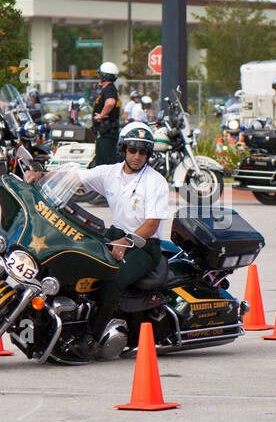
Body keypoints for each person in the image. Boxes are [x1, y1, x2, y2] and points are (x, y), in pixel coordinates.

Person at [29, 121, 171, 359]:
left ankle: (90, 338)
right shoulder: (110, 173)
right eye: (133, 149)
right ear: (123, 149)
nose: (137, 156)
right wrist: (41, 175)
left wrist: (126, 243)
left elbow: (151, 224)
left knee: (111, 277)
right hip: (115, 235)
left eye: (143, 151)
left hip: (144, 246)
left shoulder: (155, 181)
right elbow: (74, 177)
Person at [92, 62, 122, 166]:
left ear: (105, 76)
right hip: (106, 132)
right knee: (102, 162)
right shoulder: (110, 88)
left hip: (107, 131)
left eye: (100, 75)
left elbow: (110, 102)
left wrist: (101, 115)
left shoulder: (109, 89)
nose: (99, 77)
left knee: (105, 164)